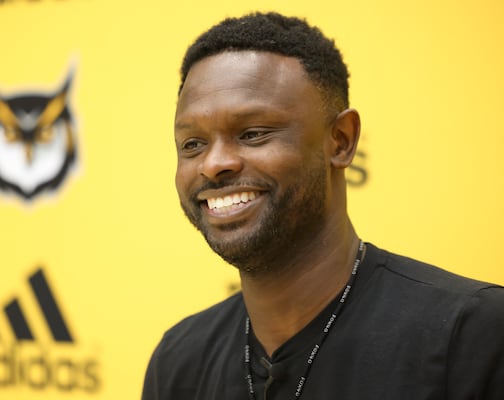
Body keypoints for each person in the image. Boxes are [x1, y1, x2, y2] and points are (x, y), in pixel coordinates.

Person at [142, 11, 504, 400]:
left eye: (252, 134)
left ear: (341, 141)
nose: (214, 164)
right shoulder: (180, 359)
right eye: (192, 144)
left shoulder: (472, 335)